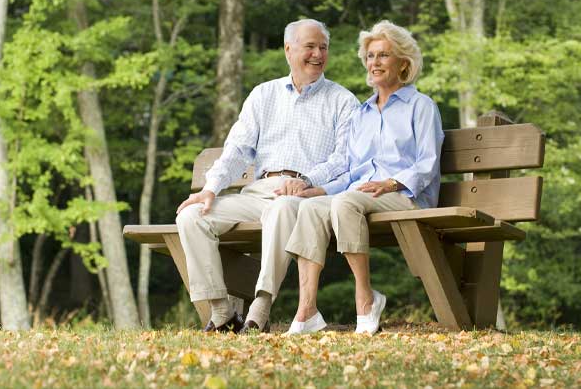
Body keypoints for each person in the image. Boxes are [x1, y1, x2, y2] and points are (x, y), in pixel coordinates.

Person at [175, 19, 359, 333]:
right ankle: (221, 311)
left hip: (307, 197)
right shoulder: (264, 95)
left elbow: (343, 159)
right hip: (259, 191)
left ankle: (260, 306)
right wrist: (211, 189)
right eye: (310, 46)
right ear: (289, 50)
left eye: (323, 47)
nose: (318, 54)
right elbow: (236, 149)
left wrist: (306, 181)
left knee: (282, 207)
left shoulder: (343, 101)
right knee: (192, 216)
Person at [284, 20, 444, 335]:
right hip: (360, 197)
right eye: (370, 56)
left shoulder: (421, 107)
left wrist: (392, 182)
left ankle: (365, 298)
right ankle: (307, 310)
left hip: (407, 198)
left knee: (345, 202)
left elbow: (428, 163)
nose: (374, 63)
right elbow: (350, 170)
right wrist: (318, 190)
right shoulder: (362, 114)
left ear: (403, 64)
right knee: (309, 208)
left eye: (383, 55)